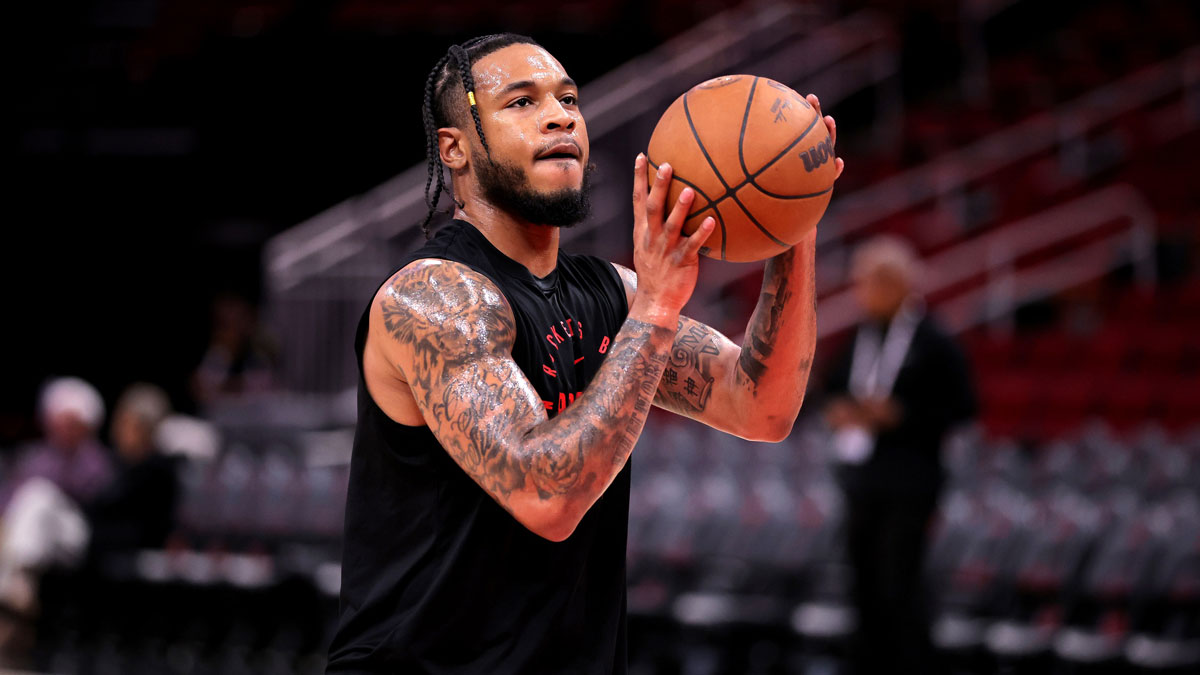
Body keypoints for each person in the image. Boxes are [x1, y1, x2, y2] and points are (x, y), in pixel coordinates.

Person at [327, 33, 842, 674]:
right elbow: (546, 497)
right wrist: (655, 309)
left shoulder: (610, 292)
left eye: (569, 98)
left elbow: (762, 406)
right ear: (454, 149)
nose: (560, 114)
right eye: (521, 101)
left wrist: (794, 210)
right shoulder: (432, 297)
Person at [821, 235, 977, 674]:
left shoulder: (934, 339)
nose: (859, 292)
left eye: (866, 282)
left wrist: (901, 415)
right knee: (862, 583)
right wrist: (837, 411)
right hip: (860, 479)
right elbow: (827, 391)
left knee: (900, 584)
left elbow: (963, 407)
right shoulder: (859, 337)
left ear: (895, 283)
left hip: (911, 480)